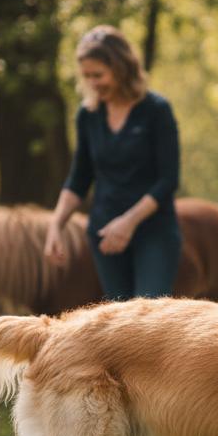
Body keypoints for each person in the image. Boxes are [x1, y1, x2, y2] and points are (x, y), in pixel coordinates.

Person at [44, 25, 181, 300]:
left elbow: (168, 180)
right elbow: (79, 178)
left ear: (121, 68)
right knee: (118, 326)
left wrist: (128, 223)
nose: (93, 83)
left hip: (153, 231)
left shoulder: (156, 110)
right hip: (105, 236)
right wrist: (55, 225)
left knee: (148, 321)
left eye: (99, 75)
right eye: (87, 76)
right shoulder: (87, 115)